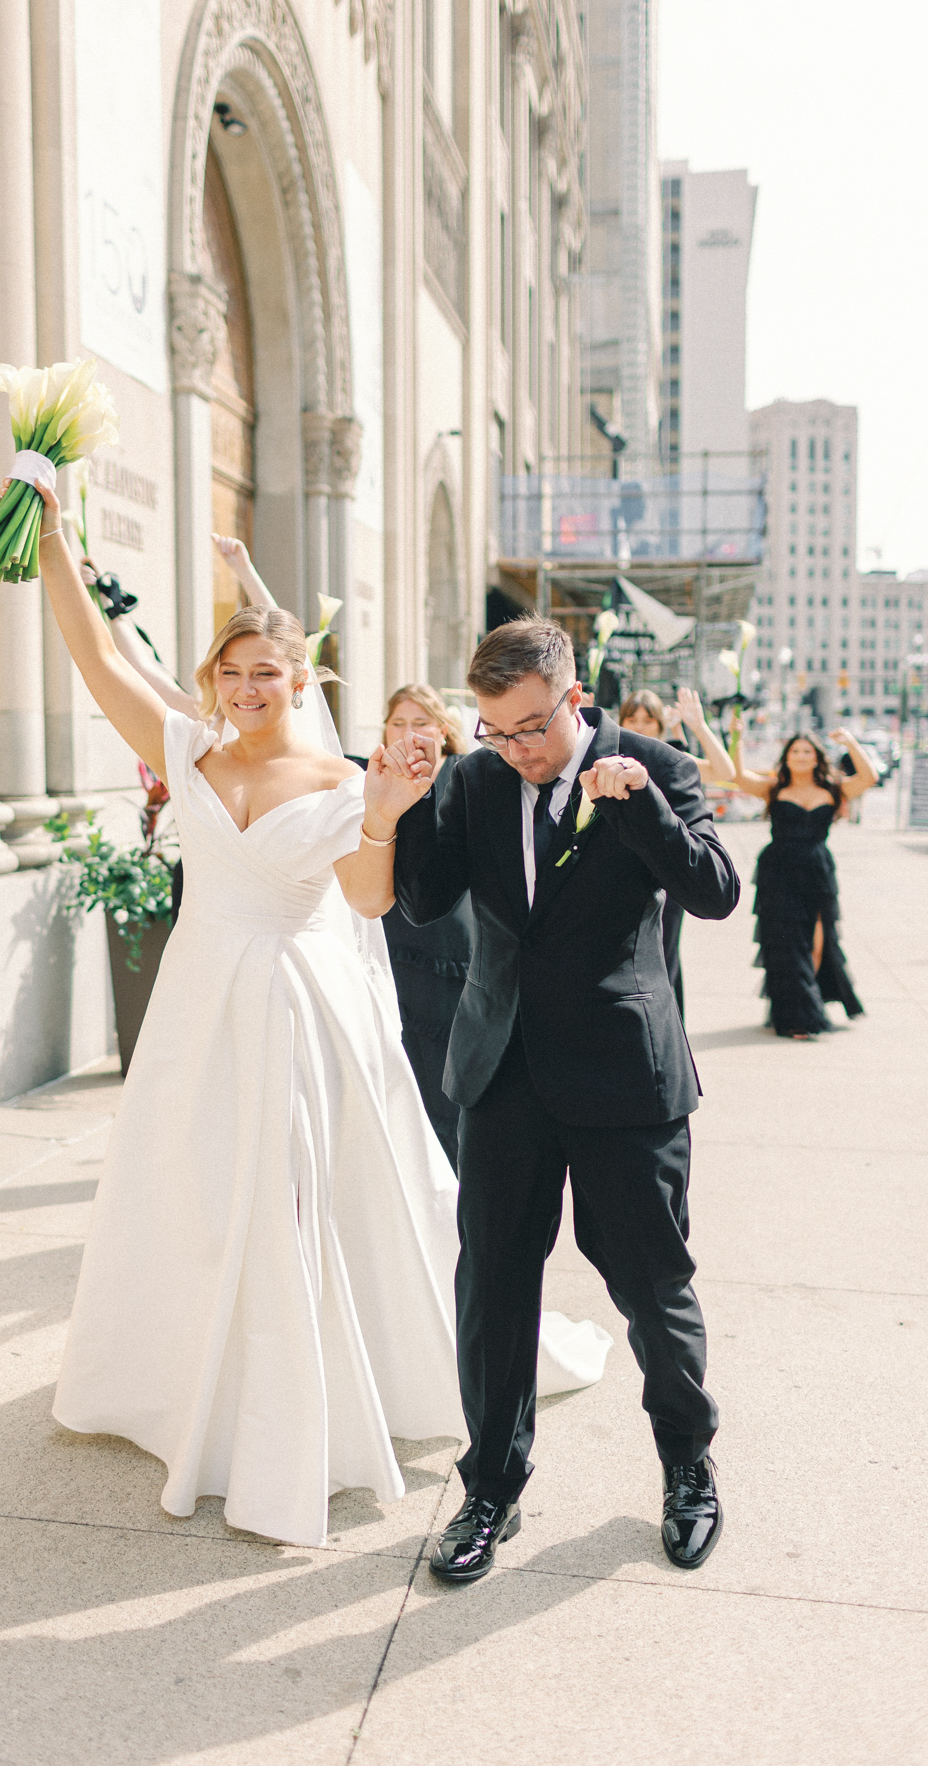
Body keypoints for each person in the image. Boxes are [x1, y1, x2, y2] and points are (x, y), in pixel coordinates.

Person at [14, 480, 608, 1548]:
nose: (249, 688)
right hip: (198, 1003)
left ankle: (290, 1423)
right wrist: (55, 532)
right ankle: (185, 1387)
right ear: (214, 680)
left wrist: (379, 817)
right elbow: (97, 654)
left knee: (283, 1200)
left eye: (269, 673)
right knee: (192, 1188)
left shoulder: (342, 775)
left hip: (294, 1002)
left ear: (301, 679)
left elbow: (372, 901)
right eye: (233, 673)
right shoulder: (188, 747)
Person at [388, 617, 741, 1582]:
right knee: (494, 1286)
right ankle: (490, 1488)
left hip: (626, 1076)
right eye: (497, 732)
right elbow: (421, 899)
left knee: (650, 1282)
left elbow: (714, 892)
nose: (518, 750)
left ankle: (687, 1464)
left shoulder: (656, 767)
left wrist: (640, 813)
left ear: (572, 697)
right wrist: (412, 797)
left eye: (532, 729)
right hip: (502, 1073)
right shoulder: (476, 778)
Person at [359, 686, 472, 1170]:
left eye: (421, 723)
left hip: (448, 949)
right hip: (390, 944)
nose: (409, 733)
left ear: (443, 730)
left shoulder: (464, 778)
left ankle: (454, 1195)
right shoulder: (375, 777)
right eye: (398, 723)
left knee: (446, 1090)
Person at [733, 728, 878, 1039]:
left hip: (817, 874)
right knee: (785, 944)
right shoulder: (774, 788)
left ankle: (800, 1005)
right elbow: (740, 778)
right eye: (795, 751)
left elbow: (869, 778)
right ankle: (798, 1018)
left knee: (817, 945)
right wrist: (738, 739)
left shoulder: (833, 790)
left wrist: (851, 744)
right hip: (778, 873)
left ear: (817, 758)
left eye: (807, 751)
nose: (801, 756)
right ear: (787, 757)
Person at [618, 687, 736, 1015]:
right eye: (632, 718)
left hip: (664, 876)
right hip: (618, 875)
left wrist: (698, 726)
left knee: (662, 954)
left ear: (660, 725)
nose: (640, 727)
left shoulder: (668, 762)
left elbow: (725, 773)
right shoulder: (606, 756)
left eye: (648, 720)